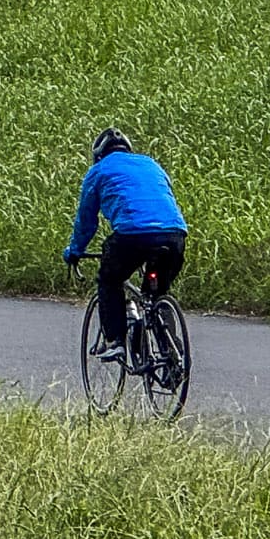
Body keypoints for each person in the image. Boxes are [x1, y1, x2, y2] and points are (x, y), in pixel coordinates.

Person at [63, 128, 187, 363]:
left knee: (110, 280)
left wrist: (74, 251)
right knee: (156, 294)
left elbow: (86, 222)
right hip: (174, 234)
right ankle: (172, 354)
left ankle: (115, 341)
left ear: (98, 155)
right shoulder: (151, 164)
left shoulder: (98, 171)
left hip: (132, 235)